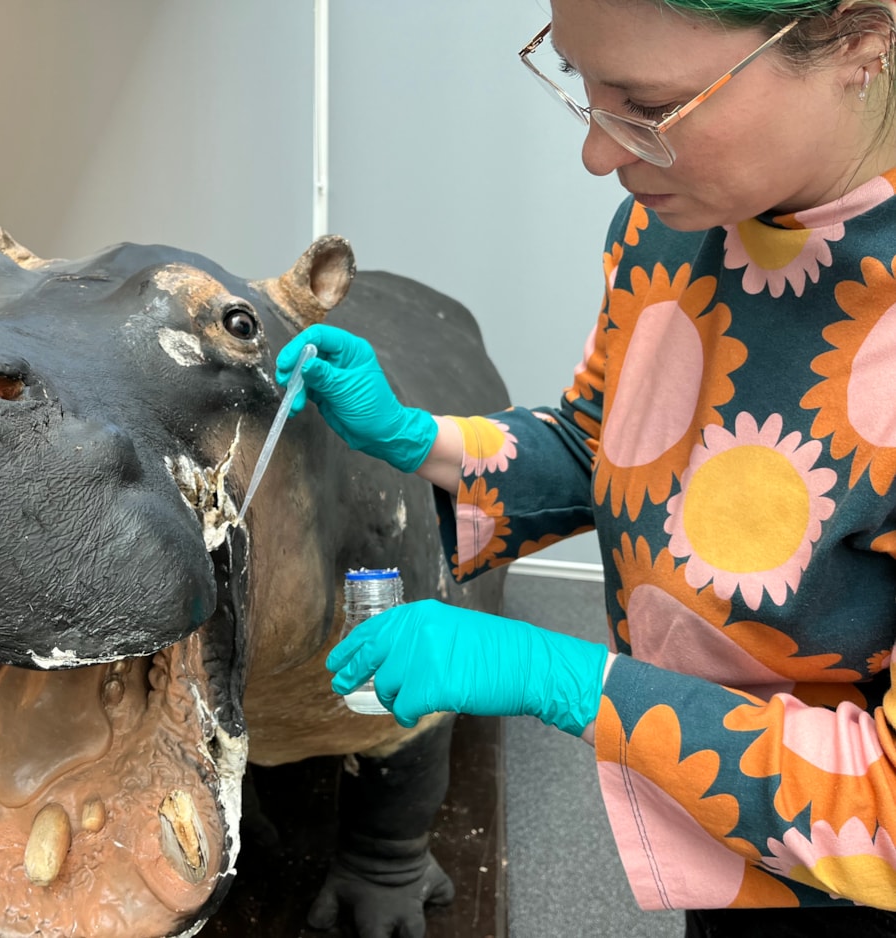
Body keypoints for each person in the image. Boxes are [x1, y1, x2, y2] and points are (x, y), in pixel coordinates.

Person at [276, 0, 896, 935]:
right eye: (581, 84)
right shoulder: (667, 229)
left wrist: (563, 679)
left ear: (858, 40)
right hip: (711, 825)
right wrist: (416, 439)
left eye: (652, 107)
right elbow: (609, 447)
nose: (599, 155)